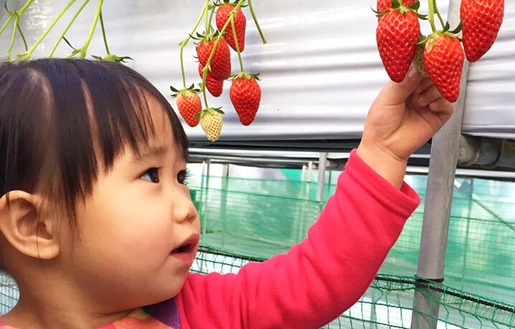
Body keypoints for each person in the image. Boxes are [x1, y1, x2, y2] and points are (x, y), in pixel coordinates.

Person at [0, 58, 453, 329]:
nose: (186, 207)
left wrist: (384, 152)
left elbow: (316, 277)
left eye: (181, 176)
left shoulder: (212, 310)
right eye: (150, 176)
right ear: (35, 225)